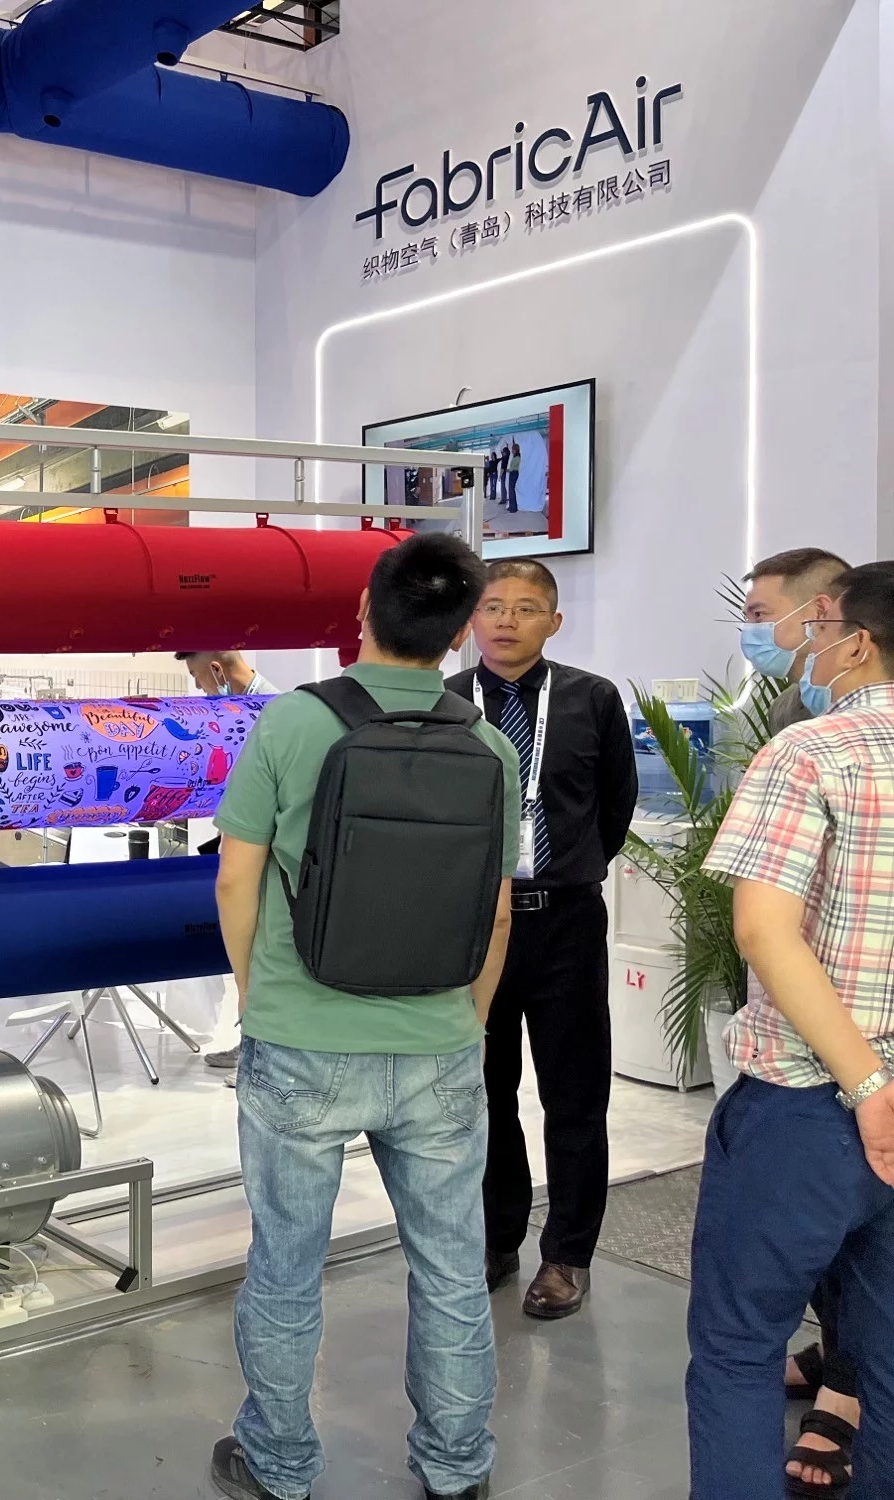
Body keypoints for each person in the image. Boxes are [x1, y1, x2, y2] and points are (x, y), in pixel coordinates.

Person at [208, 532, 517, 1500]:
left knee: (286, 1265)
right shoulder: (489, 744)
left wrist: (256, 997)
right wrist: (468, 1021)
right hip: (437, 1042)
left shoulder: (294, 723)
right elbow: (496, 910)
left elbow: (235, 879)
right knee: (451, 1268)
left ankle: (279, 1463)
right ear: (461, 632)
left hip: (303, 1036)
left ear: (362, 610)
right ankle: (456, 1468)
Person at [692, 563, 894, 1498]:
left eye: (818, 629)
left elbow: (764, 930)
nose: (805, 648)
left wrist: (869, 1085)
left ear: (857, 642)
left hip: (812, 1107)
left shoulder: (810, 752)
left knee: (738, 1347)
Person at [445, 560, 636, 1320]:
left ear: (555, 622)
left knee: (574, 1096)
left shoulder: (593, 698)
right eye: (493, 606)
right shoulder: (446, 702)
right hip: (473, 924)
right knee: (482, 1090)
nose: (506, 621)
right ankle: (497, 1238)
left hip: (566, 921)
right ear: (471, 619)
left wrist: (567, 870)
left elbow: (615, 806)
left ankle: (567, 1255)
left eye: (526, 608)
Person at [177, 650, 280, 1075]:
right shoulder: (240, 711)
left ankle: (261, 1055)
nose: (199, 688)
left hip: (267, 859)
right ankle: (253, 1045)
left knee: (260, 956)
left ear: (217, 670)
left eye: (197, 676)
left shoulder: (272, 714)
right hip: (250, 849)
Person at [740, 547, 850, 732]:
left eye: (758, 614)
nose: (748, 629)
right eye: (746, 618)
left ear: (820, 612)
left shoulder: (878, 703)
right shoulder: (784, 709)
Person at [177, 650, 279, 699]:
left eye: (195, 676)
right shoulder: (230, 707)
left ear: (216, 669)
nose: (198, 686)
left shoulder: (273, 710)